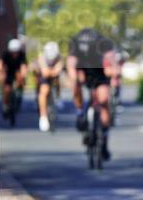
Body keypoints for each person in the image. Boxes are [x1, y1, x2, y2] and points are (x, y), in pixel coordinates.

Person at [66, 28, 117, 160]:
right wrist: (74, 78)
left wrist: (112, 70)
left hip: (100, 74)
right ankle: (79, 113)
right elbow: (71, 63)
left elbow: (111, 63)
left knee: (103, 100)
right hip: (84, 72)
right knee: (75, 84)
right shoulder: (75, 43)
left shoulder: (104, 44)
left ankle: (104, 140)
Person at [34, 41, 64, 132]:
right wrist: (52, 71)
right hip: (43, 77)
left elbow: (58, 70)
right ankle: (43, 117)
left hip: (53, 77)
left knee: (57, 81)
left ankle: (57, 97)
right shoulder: (41, 57)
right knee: (44, 90)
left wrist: (53, 71)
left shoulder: (59, 57)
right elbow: (45, 73)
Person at [0, 38, 28, 121]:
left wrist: (23, 76)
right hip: (8, 72)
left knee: (20, 80)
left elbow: (24, 67)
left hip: (17, 72)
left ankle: (18, 96)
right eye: (13, 51)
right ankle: (5, 105)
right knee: (6, 89)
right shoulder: (5, 55)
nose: (15, 53)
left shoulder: (22, 55)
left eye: (16, 51)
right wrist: (0, 73)